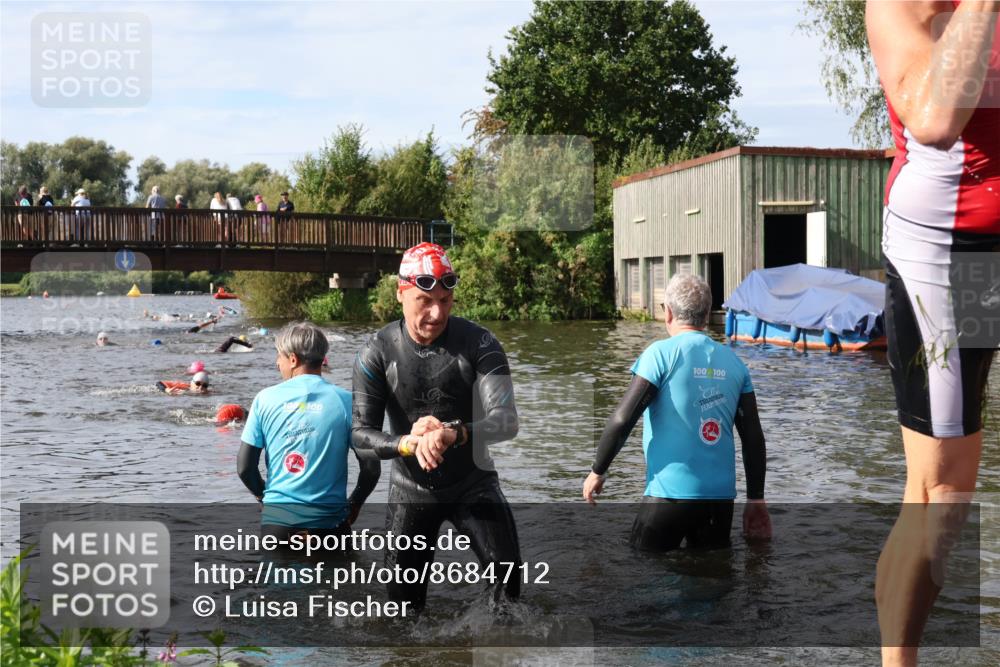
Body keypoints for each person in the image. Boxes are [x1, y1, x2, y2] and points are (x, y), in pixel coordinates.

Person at [866, 2, 999, 664]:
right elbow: (936, 120)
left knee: (933, 486)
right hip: (944, 249)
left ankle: (894, 612)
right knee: (943, 494)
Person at [352, 242, 521, 612]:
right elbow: (360, 434)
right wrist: (406, 443)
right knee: (400, 616)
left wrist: (453, 432)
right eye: (424, 301)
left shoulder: (479, 343)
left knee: (510, 592)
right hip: (410, 491)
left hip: (473, 483)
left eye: (445, 301)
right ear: (401, 293)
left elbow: (507, 420)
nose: (436, 312)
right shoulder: (376, 351)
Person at [582, 274, 770, 551]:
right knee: (712, 583)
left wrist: (597, 470)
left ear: (668, 312)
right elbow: (753, 437)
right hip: (719, 502)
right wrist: (756, 499)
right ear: (706, 315)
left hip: (669, 495)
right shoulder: (735, 363)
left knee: (642, 572)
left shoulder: (659, 354)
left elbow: (623, 419)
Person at [238, 322, 380, 558]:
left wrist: (264, 497)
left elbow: (245, 468)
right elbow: (371, 467)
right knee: (340, 591)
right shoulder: (347, 401)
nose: (277, 362)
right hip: (330, 526)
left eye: (279, 356)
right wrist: (355, 503)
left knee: (276, 593)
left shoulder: (264, 400)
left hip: (279, 525)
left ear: (293, 359)